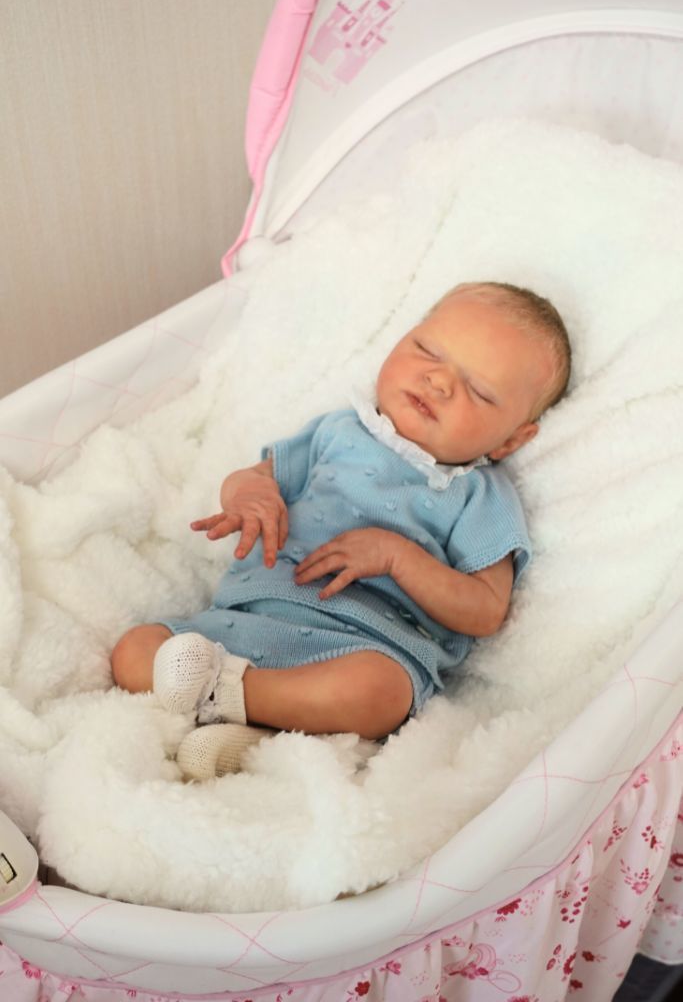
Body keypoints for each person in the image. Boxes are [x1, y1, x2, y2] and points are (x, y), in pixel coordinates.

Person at [110, 281, 571, 779]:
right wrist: (249, 495)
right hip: (240, 625)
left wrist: (399, 558)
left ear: (511, 440)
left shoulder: (478, 494)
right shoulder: (337, 431)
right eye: (427, 350)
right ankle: (252, 730)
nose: (438, 381)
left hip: (356, 653)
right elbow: (255, 477)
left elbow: (486, 609)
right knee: (134, 651)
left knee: (380, 693)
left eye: (479, 391)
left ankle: (232, 702)